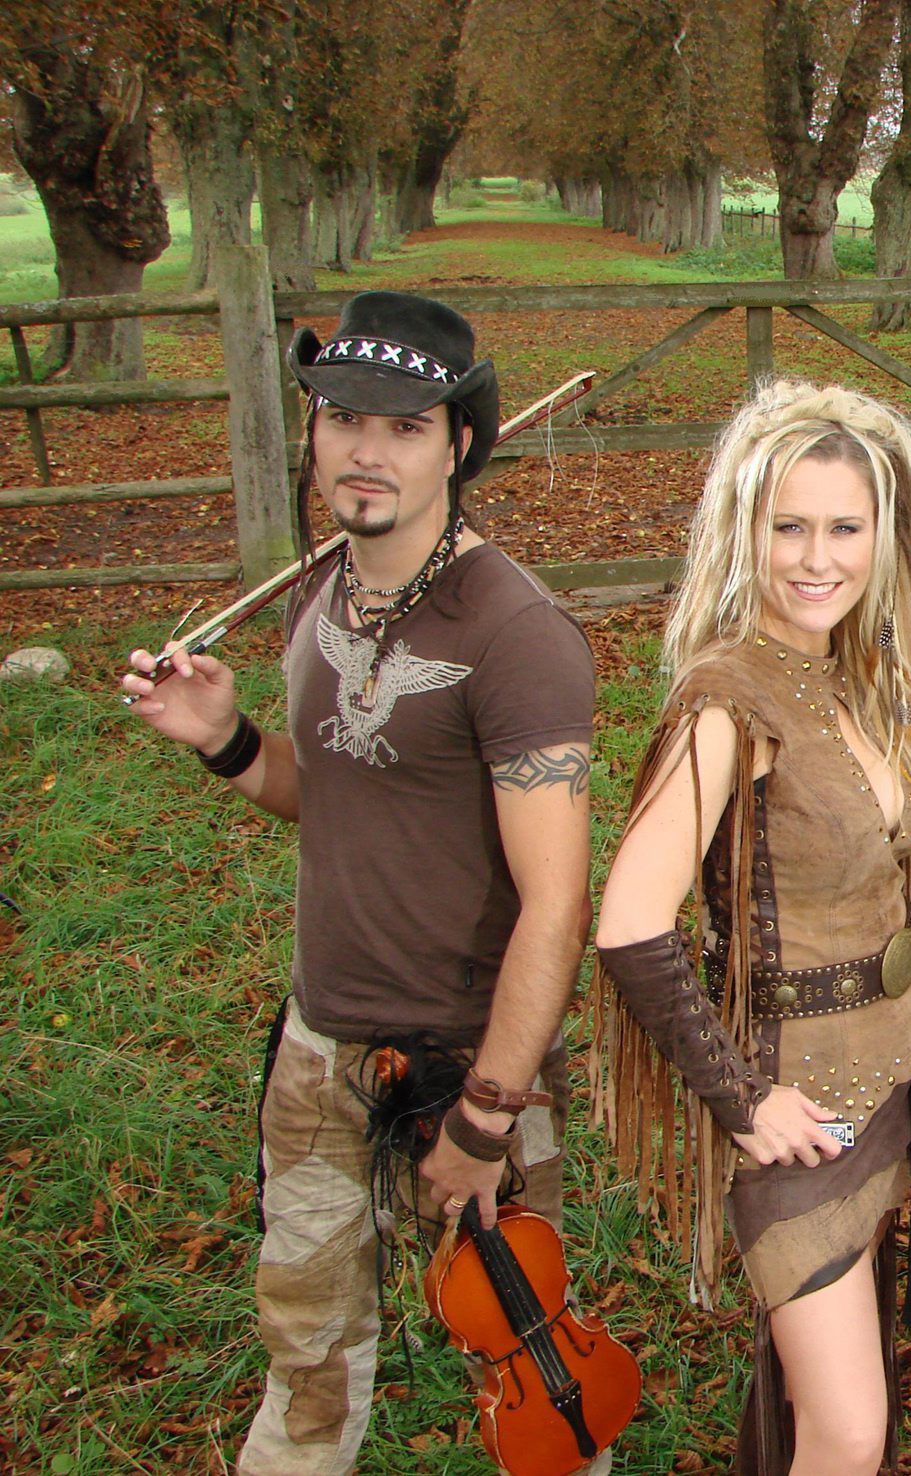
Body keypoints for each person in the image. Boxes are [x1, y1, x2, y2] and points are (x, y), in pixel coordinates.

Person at [121, 291, 597, 1475]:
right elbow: (332, 791)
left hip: (465, 1057)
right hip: (320, 1044)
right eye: (342, 417)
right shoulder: (320, 591)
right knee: (307, 1357)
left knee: (525, 1351)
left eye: (403, 426)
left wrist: (487, 1116)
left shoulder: (515, 632)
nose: (365, 450)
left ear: (460, 444)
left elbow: (557, 906)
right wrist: (227, 741)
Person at [590, 380, 911, 1476]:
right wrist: (742, 1100)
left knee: (825, 1405)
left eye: (844, 528)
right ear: (740, 529)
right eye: (787, 526)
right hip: (801, 1108)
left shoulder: (853, 676)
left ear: (883, 538)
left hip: (884, 1076)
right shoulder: (728, 699)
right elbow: (629, 924)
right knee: (847, 1431)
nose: (816, 558)